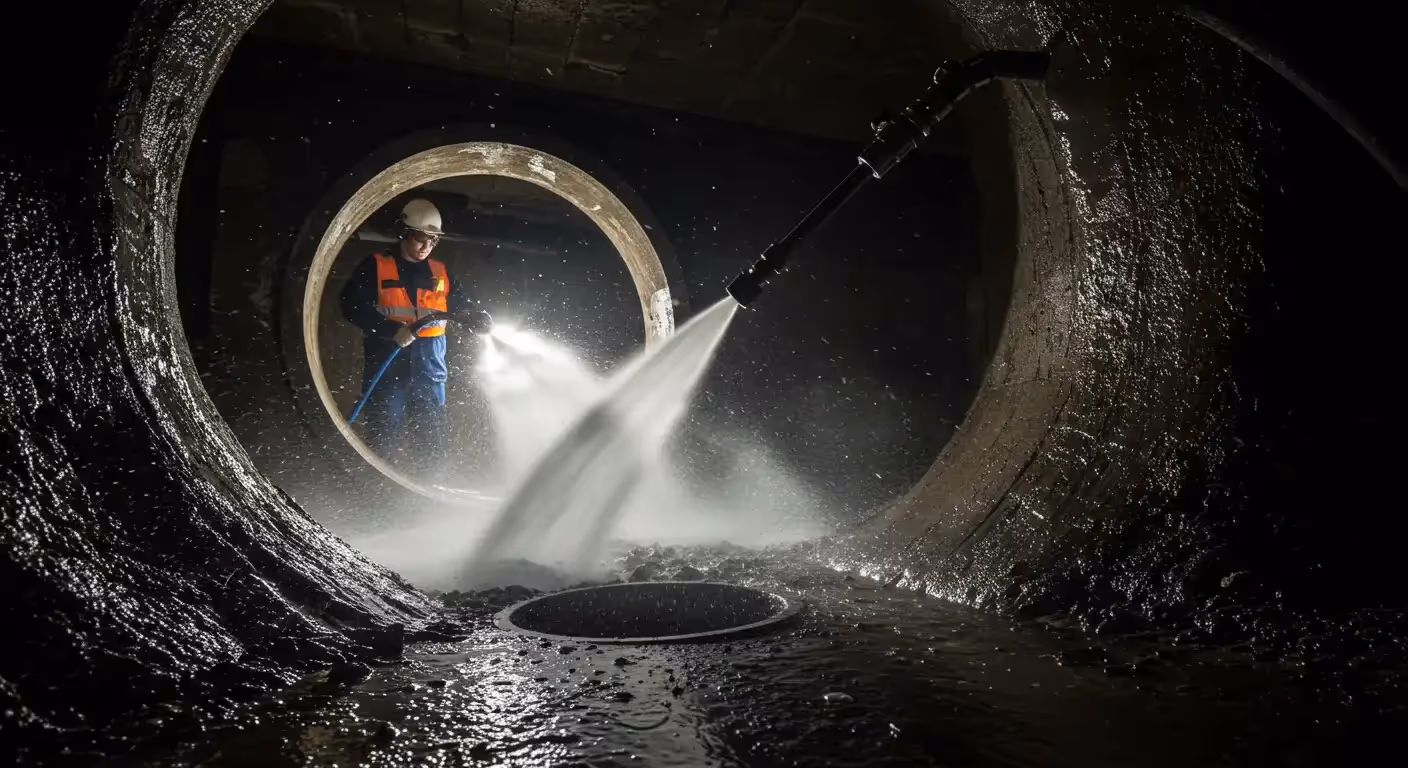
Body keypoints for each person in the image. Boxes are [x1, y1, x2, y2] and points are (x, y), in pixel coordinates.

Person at [339, 198, 491, 474]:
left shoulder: (441, 273)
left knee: (432, 445)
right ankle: (375, 501)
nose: (427, 247)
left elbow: (461, 306)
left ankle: (427, 496)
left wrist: (476, 316)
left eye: (433, 240)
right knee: (382, 440)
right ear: (405, 233)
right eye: (422, 238)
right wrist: (389, 330)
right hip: (387, 371)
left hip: (429, 375)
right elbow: (350, 306)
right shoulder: (376, 266)